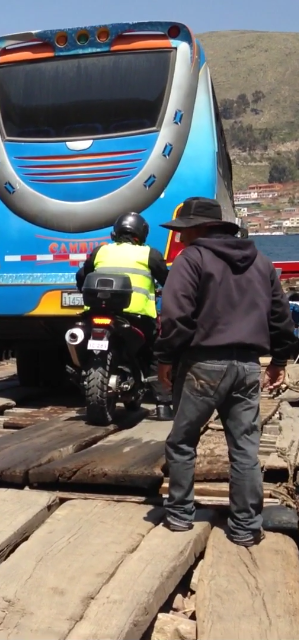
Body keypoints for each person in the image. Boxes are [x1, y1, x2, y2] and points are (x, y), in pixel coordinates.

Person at [155, 196, 297, 546]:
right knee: (245, 448)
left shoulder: (192, 259)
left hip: (203, 365)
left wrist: (166, 358)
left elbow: (175, 316)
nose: (181, 238)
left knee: (182, 441)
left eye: (184, 231)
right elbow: (281, 317)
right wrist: (279, 361)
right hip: (248, 367)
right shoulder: (261, 263)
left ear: (200, 229)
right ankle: (246, 527)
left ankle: (179, 516)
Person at [75, 212, 173, 420]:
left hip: (97, 314)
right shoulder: (149, 254)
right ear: (142, 234)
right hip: (138, 318)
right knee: (157, 352)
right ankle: (164, 405)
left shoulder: (100, 251)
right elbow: (169, 281)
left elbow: (82, 276)